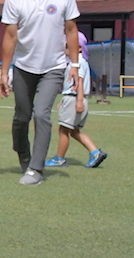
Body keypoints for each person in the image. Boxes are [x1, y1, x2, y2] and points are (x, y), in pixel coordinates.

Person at [0, 0, 80, 186]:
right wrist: (4, 72)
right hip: (24, 66)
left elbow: (71, 30)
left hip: (54, 67)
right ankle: (23, 153)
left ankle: (36, 169)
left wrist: (74, 65)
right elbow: (10, 37)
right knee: (22, 117)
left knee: (41, 114)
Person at [46, 33, 107, 169]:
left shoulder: (77, 62)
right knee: (74, 132)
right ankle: (95, 152)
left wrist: (77, 100)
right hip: (75, 98)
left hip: (75, 99)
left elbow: (79, 82)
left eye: (67, 47)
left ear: (78, 48)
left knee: (63, 130)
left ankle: (59, 159)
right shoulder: (81, 62)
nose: (65, 50)